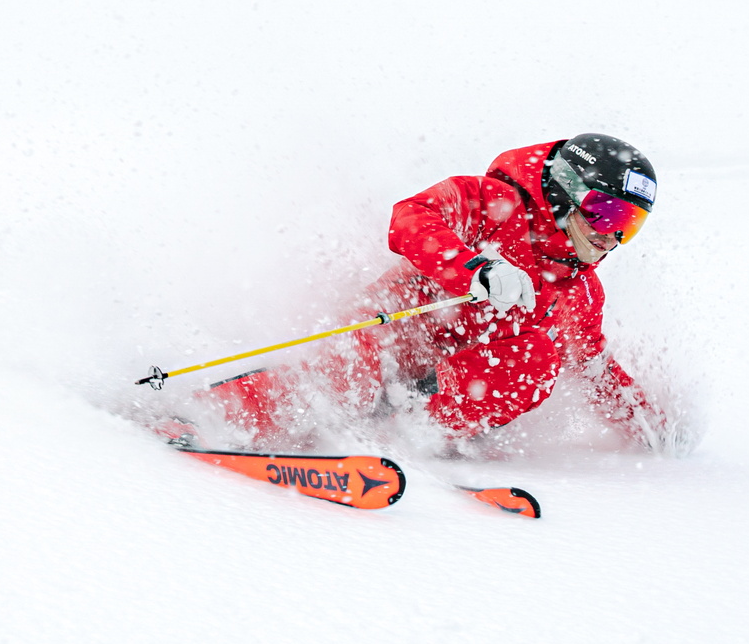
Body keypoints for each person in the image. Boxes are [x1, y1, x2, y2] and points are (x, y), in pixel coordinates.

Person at [202, 133, 682, 454]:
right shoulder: (495, 203)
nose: (612, 237)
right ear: (567, 190)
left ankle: (403, 437)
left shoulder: (580, 291)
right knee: (348, 379)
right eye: (606, 214)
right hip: (398, 329)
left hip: (446, 388)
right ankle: (202, 419)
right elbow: (413, 216)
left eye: (630, 225)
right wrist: (475, 267)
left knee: (539, 360)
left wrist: (650, 427)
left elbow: (593, 365)